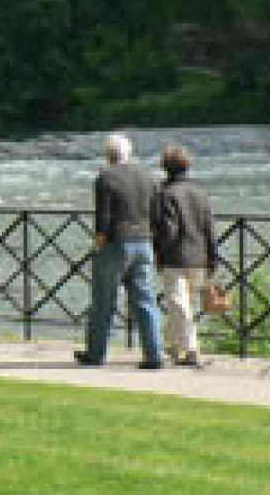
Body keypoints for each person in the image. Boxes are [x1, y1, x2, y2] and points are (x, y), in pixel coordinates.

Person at [76, 134, 164, 369]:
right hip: (144, 242)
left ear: (108, 154)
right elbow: (157, 217)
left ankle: (96, 354)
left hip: (116, 243)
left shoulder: (106, 177)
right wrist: (154, 243)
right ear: (130, 152)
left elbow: (103, 217)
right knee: (146, 301)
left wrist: (99, 242)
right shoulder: (150, 177)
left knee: (103, 300)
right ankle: (154, 355)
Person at [153, 145, 218, 368]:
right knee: (182, 305)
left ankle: (191, 350)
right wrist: (213, 258)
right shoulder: (200, 192)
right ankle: (173, 348)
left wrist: (159, 252)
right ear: (187, 166)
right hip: (199, 257)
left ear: (165, 168)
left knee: (178, 304)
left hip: (176, 258)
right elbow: (210, 228)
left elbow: (169, 230)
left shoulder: (166, 194)